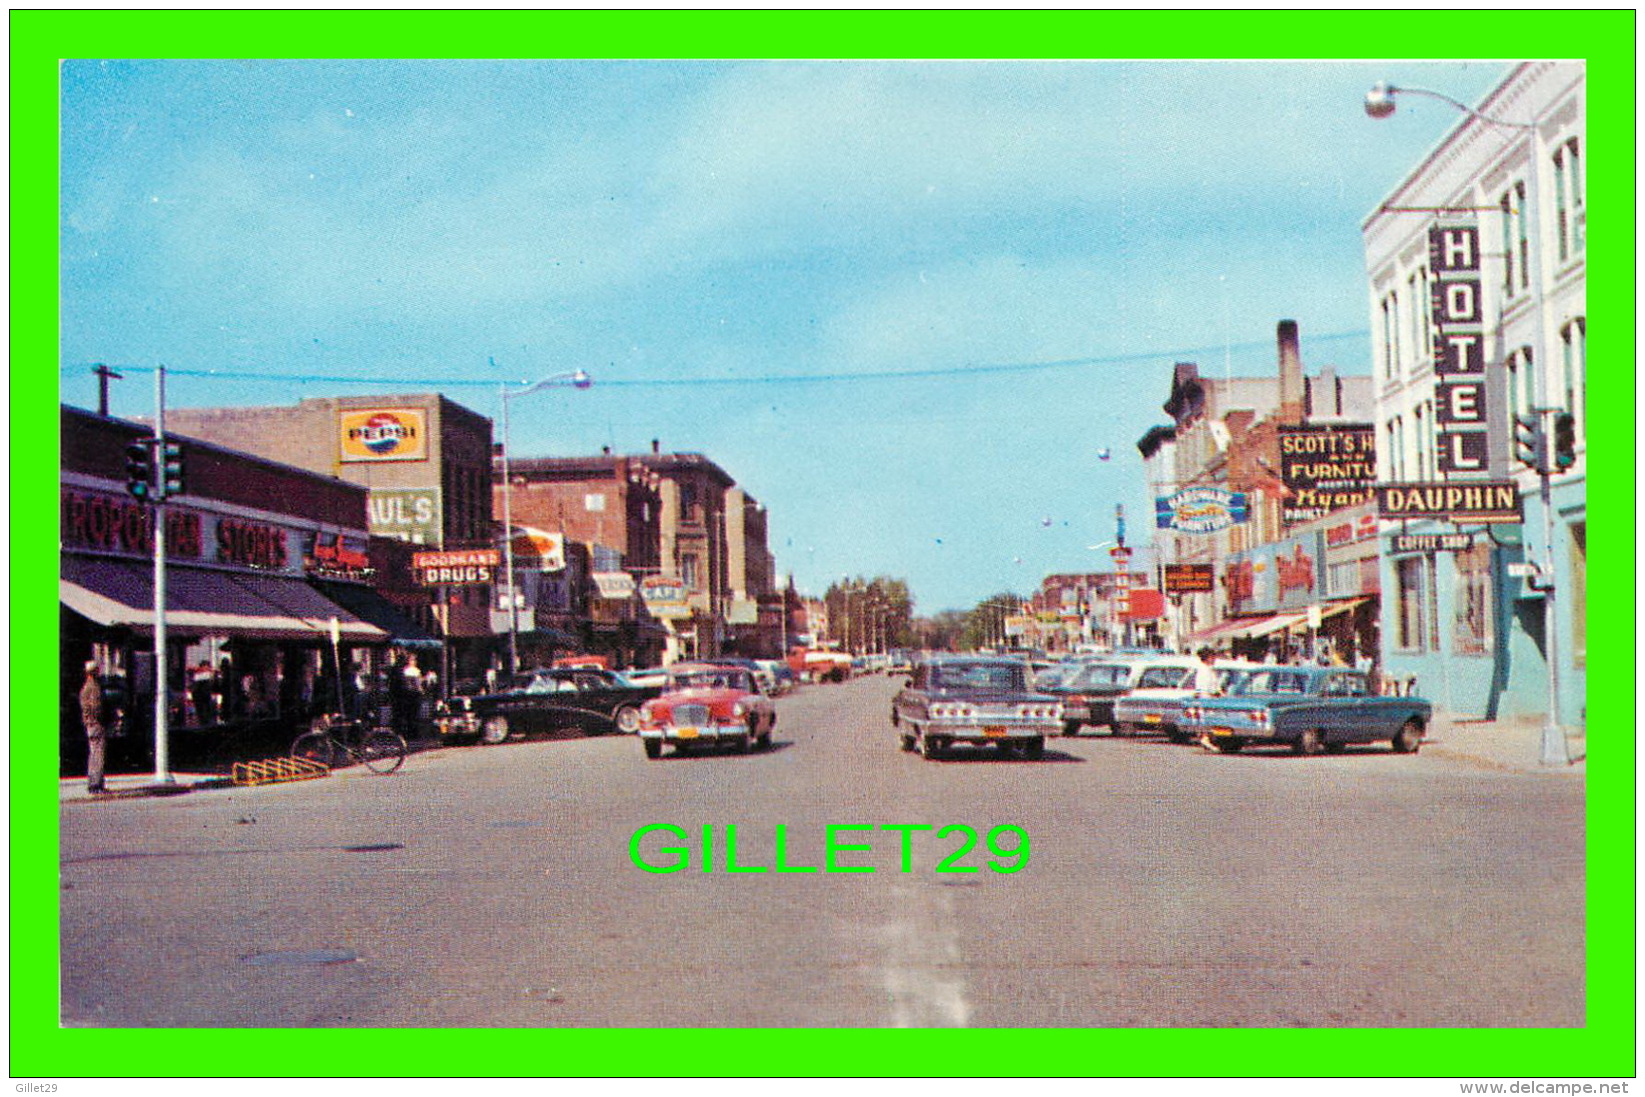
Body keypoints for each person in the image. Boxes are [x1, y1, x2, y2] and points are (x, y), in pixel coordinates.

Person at [79, 662, 108, 794]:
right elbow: (97, 707)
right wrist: (102, 719)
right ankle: (96, 784)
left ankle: (92, 782)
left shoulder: (85, 687)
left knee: (93, 753)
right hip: (96, 724)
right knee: (98, 753)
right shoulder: (94, 687)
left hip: (89, 724)